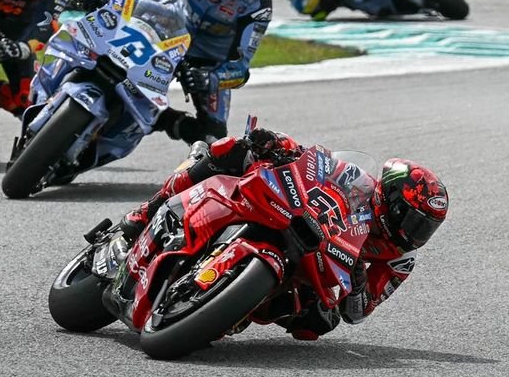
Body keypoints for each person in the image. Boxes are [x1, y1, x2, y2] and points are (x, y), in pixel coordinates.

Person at [115, 127, 449, 340]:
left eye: (425, 228)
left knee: (318, 322)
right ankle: (144, 212)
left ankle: (231, 305)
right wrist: (277, 143)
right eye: (413, 220)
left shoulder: (400, 261)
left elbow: (359, 313)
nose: (413, 233)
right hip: (292, 214)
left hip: (316, 267)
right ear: (389, 198)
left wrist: (359, 283)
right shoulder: (359, 181)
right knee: (227, 153)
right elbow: (314, 162)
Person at [74, 0, 272, 145]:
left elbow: (240, 69)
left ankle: (166, 120)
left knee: (214, 139)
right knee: (97, 40)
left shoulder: (258, 3)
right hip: (161, 31)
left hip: (204, 63)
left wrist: (211, 78)